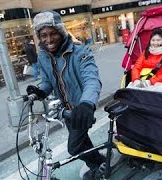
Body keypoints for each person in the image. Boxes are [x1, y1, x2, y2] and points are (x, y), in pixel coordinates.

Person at [26, 10, 105, 179]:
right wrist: (40, 92)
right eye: (43, 35)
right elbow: (47, 82)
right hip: (66, 111)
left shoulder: (80, 52)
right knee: (83, 142)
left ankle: (99, 163)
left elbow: (91, 79)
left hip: (81, 109)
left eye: (52, 33)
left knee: (75, 147)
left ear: (61, 32)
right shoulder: (43, 57)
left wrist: (86, 104)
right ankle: (99, 164)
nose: (48, 40)